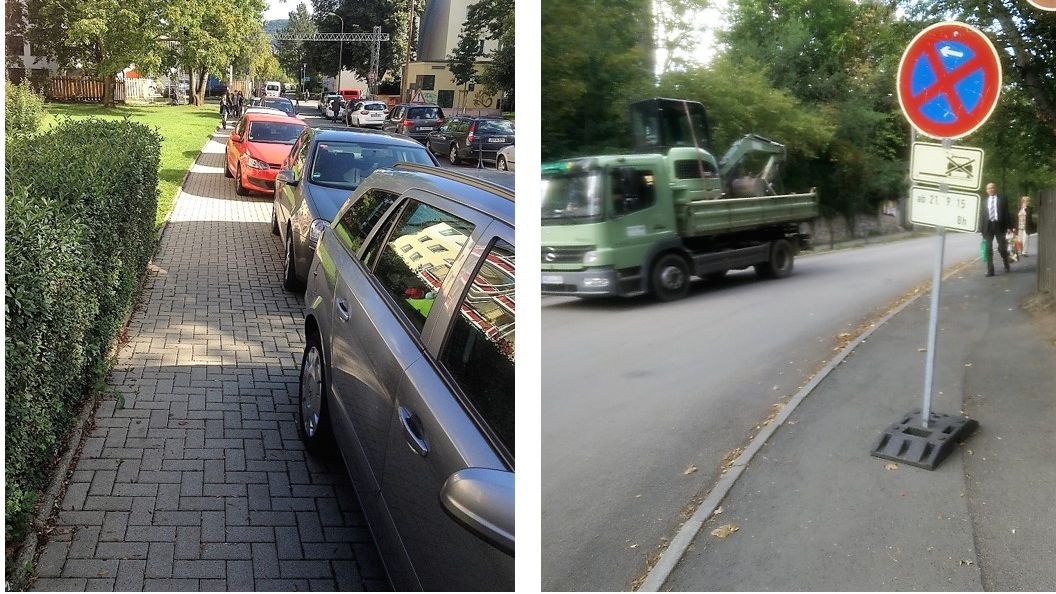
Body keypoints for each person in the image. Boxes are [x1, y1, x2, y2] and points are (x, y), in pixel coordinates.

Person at [978, 182, 1011, 277]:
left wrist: (1009, 227)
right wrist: (981, 228)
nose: (991, 190)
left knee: (1002, 248)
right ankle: (990, 270)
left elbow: (1006, 213)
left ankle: (1006, 262)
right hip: (988, 227)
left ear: (995, 189)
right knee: (988, 248)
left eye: (992, 188)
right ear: (986, 190)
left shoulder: (1002, 199)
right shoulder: (984, 200)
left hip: (999, 226)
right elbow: (982, 215)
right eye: (989, 188)